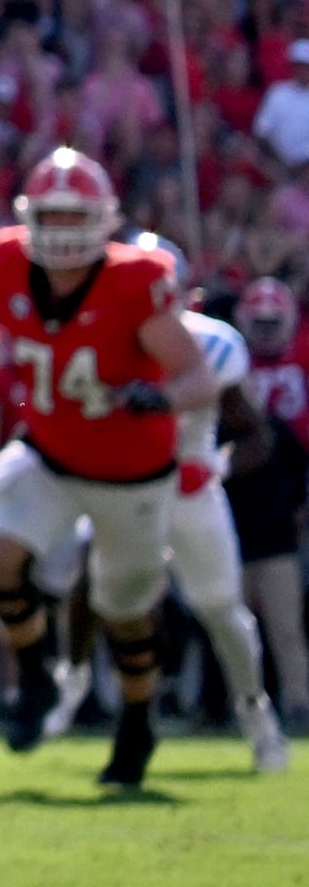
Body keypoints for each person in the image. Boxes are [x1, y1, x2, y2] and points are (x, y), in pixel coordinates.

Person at [0, 149, 222, 787]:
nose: (64, 230)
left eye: (77, 216)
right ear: (31, 216)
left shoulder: (137, 280)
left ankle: (137, 721)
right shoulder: (5, 260)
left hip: (131, 470)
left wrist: (158, 396)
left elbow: (197, 375)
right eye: (51, 215)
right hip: (50, 451)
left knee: (122, 610)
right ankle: (35, 682)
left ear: (105, 220)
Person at [155, 305, 285, 772]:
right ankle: (73, 685)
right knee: (91, 580)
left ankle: (256, 712)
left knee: (221, 611)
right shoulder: (97, 332)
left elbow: (257, 436)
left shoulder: (211, 344)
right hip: (123, 486)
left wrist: (214, 464)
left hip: (189, 492)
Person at [235, 279, 308, 725]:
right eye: (257, 323)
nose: (264, 331)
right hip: (234, 526)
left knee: (286, 628)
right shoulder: (227, 369)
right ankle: (238, 706)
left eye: (271, 323)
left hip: (279, 531)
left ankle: (298, 703)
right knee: (231, 630)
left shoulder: (287, 430)